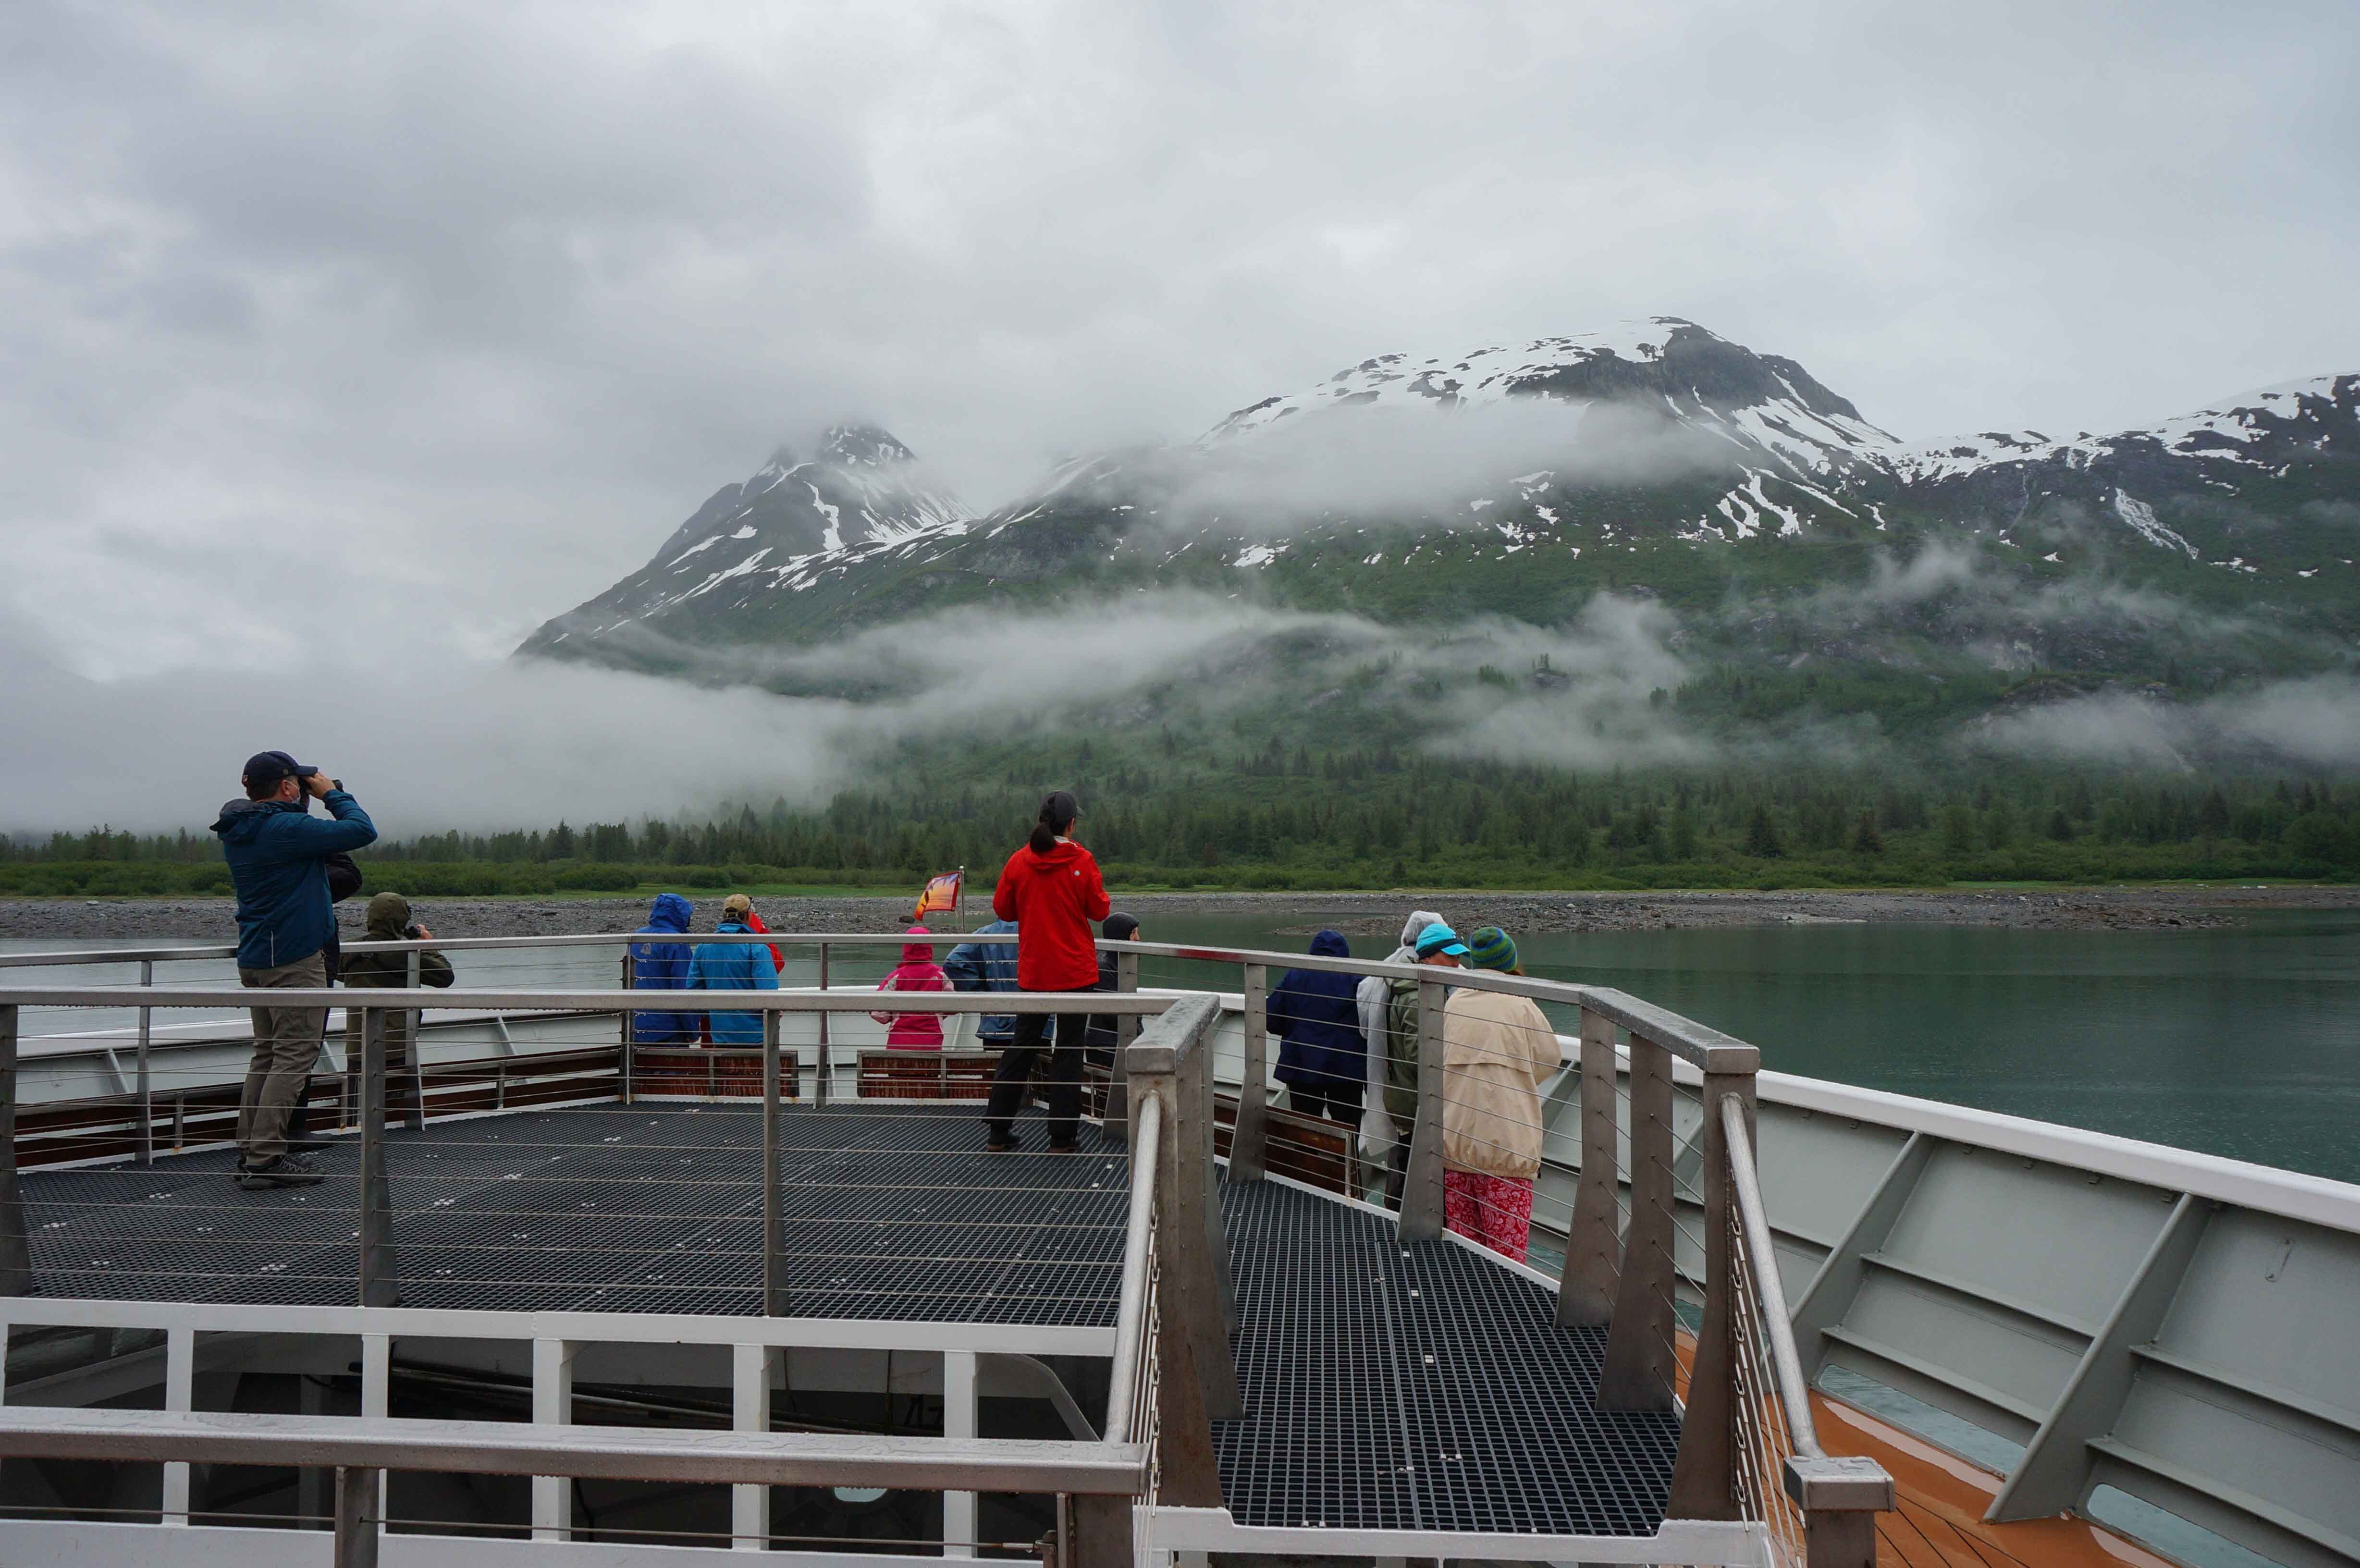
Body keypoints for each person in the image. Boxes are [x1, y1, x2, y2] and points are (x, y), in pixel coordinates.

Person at [209, 752, 377, 1189]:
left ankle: (251, 1152)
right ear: (286, 787)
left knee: (267, 1055)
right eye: (298, 783)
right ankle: (265, 1159)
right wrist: (333, 795)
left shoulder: (242, 827)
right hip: (294, 958)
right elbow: (362, 831)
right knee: (293, 1058)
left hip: (258, 957)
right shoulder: (284, 828)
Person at [982, 791, 1109, 1152]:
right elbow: (1100, 911)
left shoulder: (1020, 861)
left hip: (1035, 971)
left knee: (1022, 1047)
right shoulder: (1081, 859)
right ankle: (1062, 1137)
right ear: (1071, 824)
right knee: (1069, 1051)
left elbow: (1003, 910)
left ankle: (998, 1130)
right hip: (1076, 973)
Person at [1439, 926, 1558, 1262]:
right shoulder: (1520, 1004)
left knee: (1465, 1250)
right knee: (1507, 1257)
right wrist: (1518, 1078)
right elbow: (1549, 1057)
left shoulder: (1455, 1000)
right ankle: (1503, 1309)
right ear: (1510, 961)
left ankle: (1466, 1309)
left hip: (1457, 1144)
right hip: (1508, 1150)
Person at [1374, 921, 1469, 1207]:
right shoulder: (1418, 997)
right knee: (1412, 1170)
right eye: (1450, 956)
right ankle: (1404, 1229)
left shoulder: (1408, 986)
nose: (1456, 963)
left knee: (1404, 1162)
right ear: (1427, 957)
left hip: (1403, 1094)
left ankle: (1398, 1221)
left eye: (1459, 956)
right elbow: (1421, 1058)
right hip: (1415, 1099)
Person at [339, 892, 457, 1115]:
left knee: (357, 1109)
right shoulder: (406, 953)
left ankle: (356, 1138)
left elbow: (336, 973)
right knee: (393, 1113)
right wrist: (428, 945)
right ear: (402, 919)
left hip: (357, 1046)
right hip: (395, 1048)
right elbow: (445, 977)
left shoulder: (348, 949)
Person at [1355, 909, 1442, 1191]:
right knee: (1420, 1154)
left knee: (1400, 1148)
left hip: (1389, 1081)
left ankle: (1395, 1209)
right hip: (1421, 1087)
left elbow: (1365, 1025)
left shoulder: (1383, 972)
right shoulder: (1435, 976)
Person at [1269, 929, 1364, 1123]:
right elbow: (1369, 1024)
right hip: (1346, 1070)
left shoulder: (1294, 977)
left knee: (1305, 1129)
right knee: (1348, 1128)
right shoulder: (1358, 980)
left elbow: (1271, 1018)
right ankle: (1346, 1154)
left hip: (1301, 1065)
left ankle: (1307, 1153)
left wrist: (1295, 1031)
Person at [687, 894, 780, 1044]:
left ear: (724, 916)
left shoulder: (703, 947)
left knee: (722, 1067)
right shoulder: (757, 948)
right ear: (749, 915)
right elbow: (769, 993)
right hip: (756, 1036)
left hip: (719, 1034)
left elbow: (693, 989)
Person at [941, 918, 1020, 1051]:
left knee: (997, 1070)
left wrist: (979, 992)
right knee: (1039, 1069)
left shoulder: (985, 933)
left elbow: (953, 962)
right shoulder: (1040, 932)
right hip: (1038, 1025)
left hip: (994, 1025)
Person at [628, 894, 697, 1044]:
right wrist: (692, 1031)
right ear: (682, 915)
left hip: (637, 1028)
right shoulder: (677, 942)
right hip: (668, 1030)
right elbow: (682, 988)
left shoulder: (637, 937)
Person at [873, 925, 951, 1050]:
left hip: (900, 1041)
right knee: (930, 1069)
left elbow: (878, 1013)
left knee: (899, 1069)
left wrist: (891, 1016)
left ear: (906, 948)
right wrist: (940, 1013)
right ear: (930, 947)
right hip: (931, 1040)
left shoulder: (897, 976)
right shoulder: (941, 975)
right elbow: (954, 1005)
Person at [1082, 912, 1141, 1058]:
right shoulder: (1104, 966)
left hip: (1112, 1041)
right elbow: (1113, 1012)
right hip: (1106, 1046)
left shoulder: (1115, 961)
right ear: (1120, 935)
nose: (1138, 939)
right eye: (1133, 933)